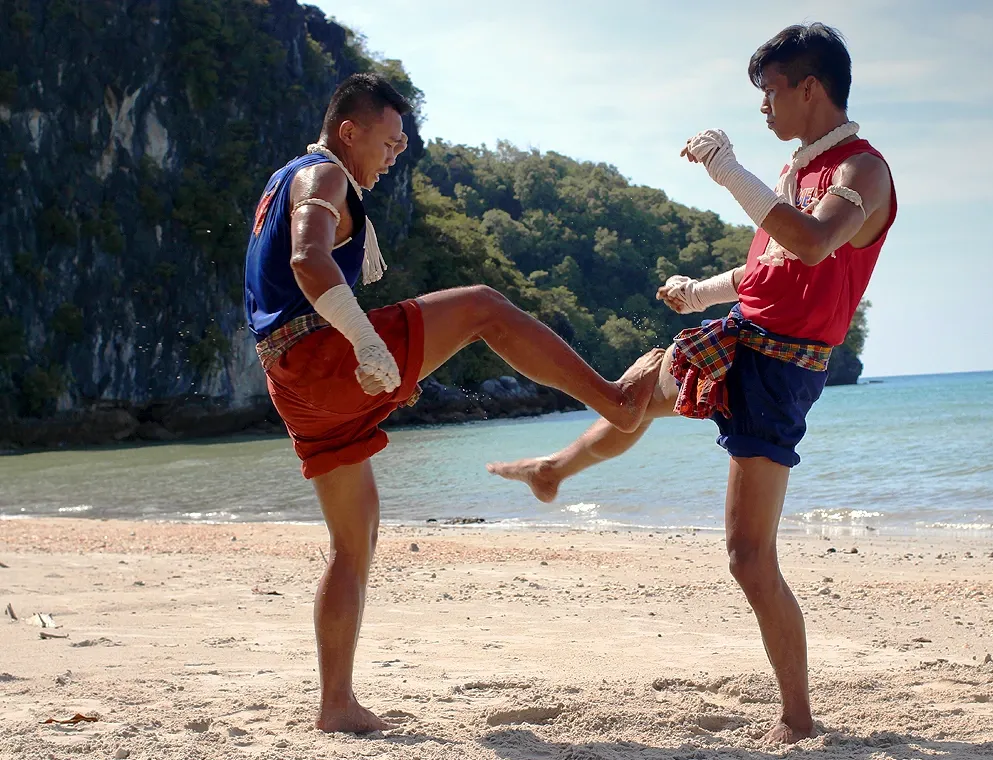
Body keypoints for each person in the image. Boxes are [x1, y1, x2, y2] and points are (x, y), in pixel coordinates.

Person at [487, 23, 897, 744]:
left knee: (747, 557)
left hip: (781, 372)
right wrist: (701, 292)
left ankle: (798, 719)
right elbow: (769, 267)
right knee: (634, 395)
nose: (763, 107)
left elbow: (810, 242)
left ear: (810, 87)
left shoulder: (863, 172)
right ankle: (553, 470)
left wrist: (726, 170)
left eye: (770, 91)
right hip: (739, 337)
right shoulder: (796, 173)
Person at [242, 72, 662, 733]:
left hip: (289, 378)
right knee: (484, 308)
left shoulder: (283, 178)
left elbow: (288, 282)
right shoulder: (323, 177)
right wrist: (368, 348)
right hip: (322, 357)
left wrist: (372, 359)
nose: (394, 154)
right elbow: (306, 261)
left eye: (402, 144)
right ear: (349, 131)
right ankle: (614, 402)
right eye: (388, 141)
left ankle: (336, 706)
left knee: (355, 542)